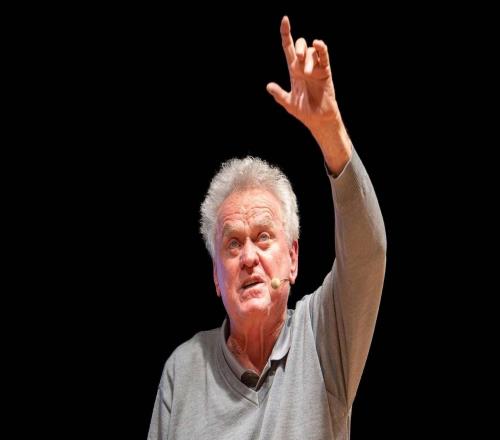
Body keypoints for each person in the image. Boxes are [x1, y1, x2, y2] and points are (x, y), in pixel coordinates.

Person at [148, 16, 386, 440]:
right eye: (232, 244)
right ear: (216, 277)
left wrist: (329, 131)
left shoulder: (322, 335)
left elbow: (367, 254)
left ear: (292, 259)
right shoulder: (181, 372)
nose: (249, 257)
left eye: (263, 237)